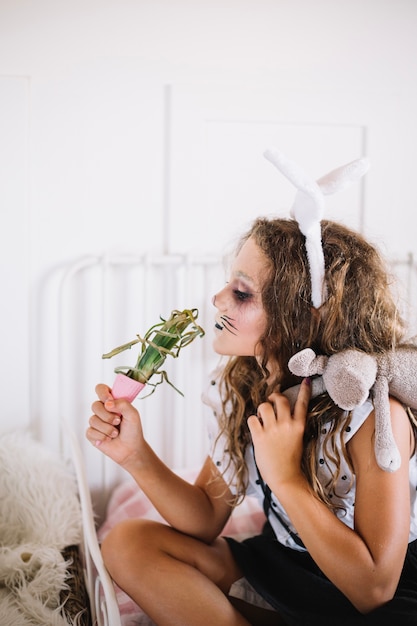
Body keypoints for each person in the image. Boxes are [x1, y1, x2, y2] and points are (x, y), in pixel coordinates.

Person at [86, 155, 417, 625]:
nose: (218, 300)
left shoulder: (373, 415)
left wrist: (285, 477)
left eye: (242, 294)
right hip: (285, 566)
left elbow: (375, 589)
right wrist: (135, 455)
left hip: (373, 590)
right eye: (228, 286)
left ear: (300, 319)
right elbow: (204, 517)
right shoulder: (243, 388)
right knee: (128, 542)